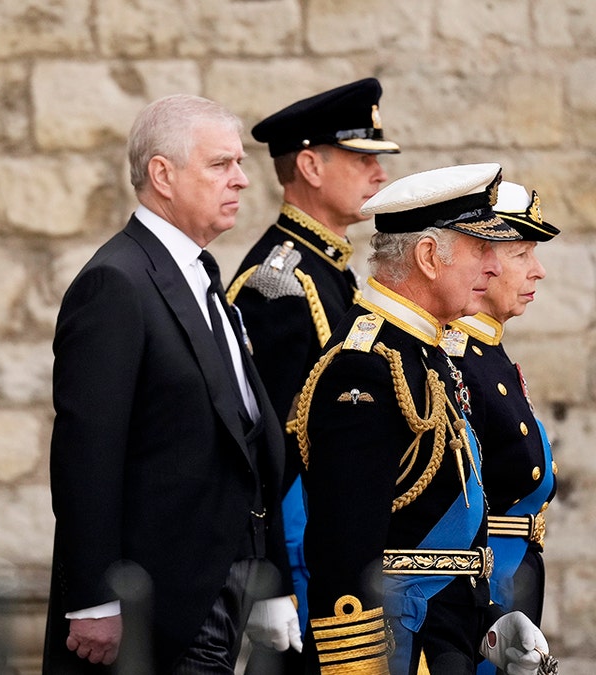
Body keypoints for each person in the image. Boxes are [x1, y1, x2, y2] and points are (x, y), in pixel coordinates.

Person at [43, 94, 299, 675]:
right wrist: (93, 598)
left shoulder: (200, 273)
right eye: (220, 165)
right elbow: (88, 453)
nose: (240, 180)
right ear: (162, 174)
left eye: (239, 163)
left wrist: (269, 578)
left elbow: (246, 443)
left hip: (225, 583)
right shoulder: (117, 281)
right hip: (158, 600)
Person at [291, 163, 552, 674]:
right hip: (399, 648)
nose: (494, 269)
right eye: (482, 251)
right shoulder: (367, 366)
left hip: (442, 635)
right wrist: (358, 668)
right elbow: (346, 552)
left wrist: (491, 624)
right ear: (429, 257)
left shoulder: (419, 350)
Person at [226, 78, 400, 673]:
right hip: (300, 557)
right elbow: (258, 450)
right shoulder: (280, 285)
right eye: (362, 159)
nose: (379, 175)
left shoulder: (330, 272)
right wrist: (269, 576)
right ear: (309, 165)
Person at [441, 182, 560, 675]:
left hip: (513, 576)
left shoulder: (488, 353)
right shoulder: (456, 359)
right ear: (480, 262)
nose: (538, 270)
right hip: (487, 582)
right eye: (522, 254)